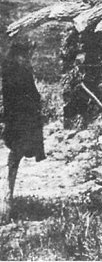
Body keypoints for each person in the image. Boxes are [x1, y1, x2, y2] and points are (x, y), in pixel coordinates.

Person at [0, 39, 45, 222]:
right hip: (22, 120)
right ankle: (5, 205)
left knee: (13, 157)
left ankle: (6, 203)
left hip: (15, 120)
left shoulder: (9, 68)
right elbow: (30, 94)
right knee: (13, 158)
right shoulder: (21, 69)